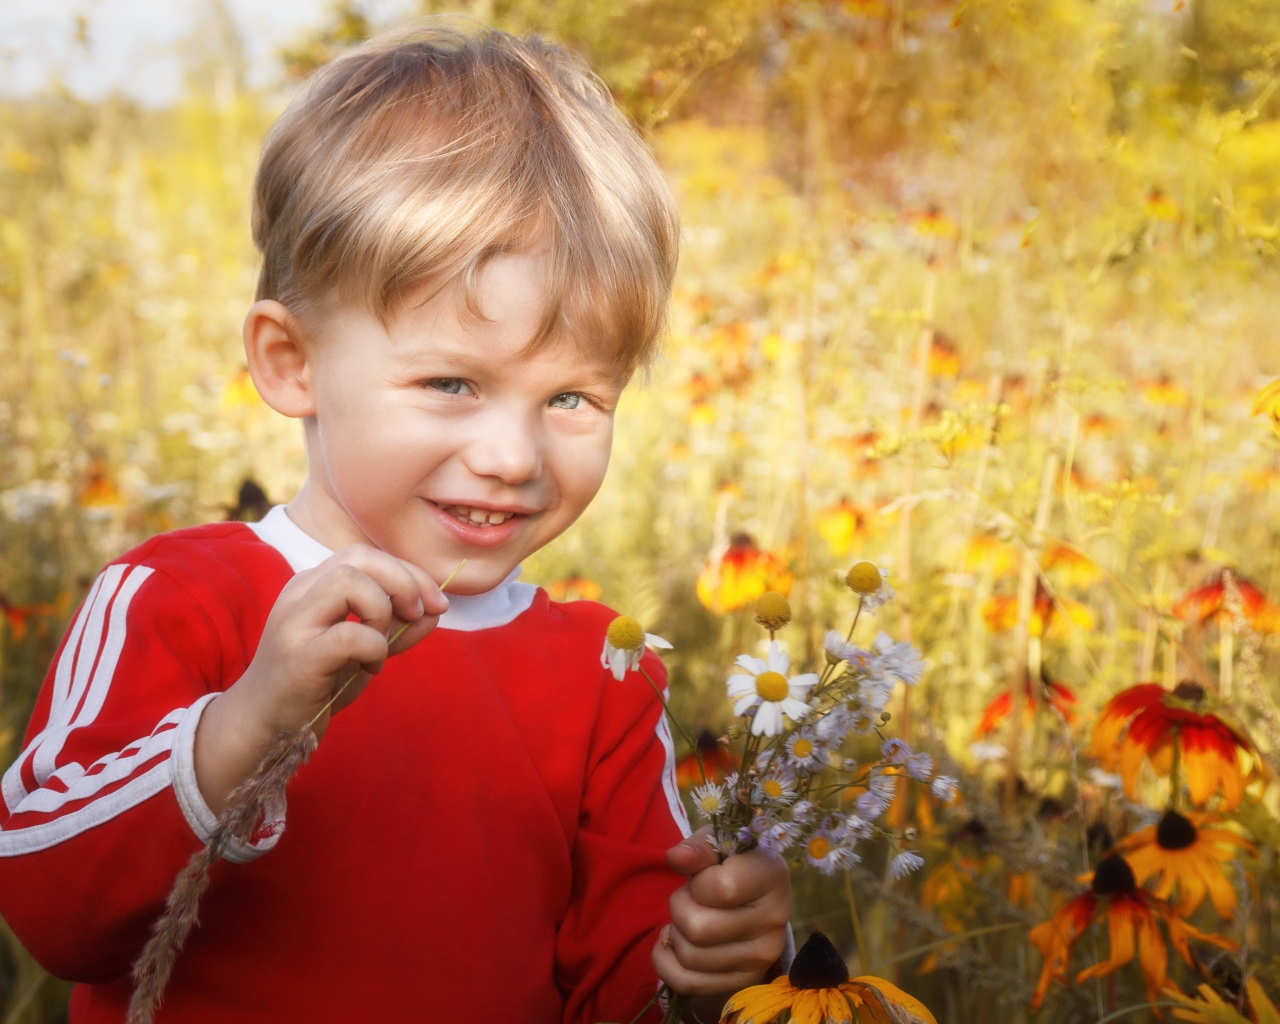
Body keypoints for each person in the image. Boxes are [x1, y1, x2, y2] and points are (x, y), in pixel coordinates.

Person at [0, 24, 792, 1024]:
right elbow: (45, 904)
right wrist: (243, 724)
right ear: (292, 363)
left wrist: (718, 952)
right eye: (450, 381)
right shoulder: (175, 597)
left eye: (573, 398)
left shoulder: (604, 674)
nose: (513, 455)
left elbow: (622, 985)